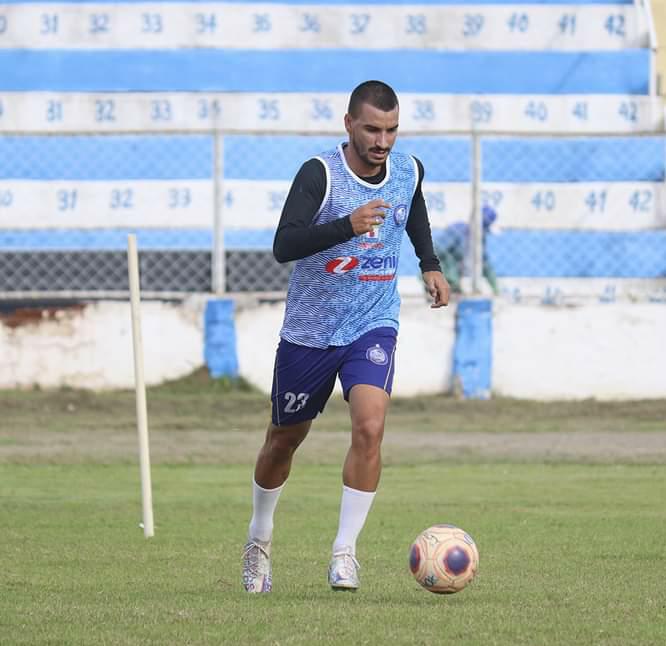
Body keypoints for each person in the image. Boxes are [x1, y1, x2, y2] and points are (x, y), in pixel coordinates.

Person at [241, 80, 450, 593]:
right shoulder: (319, 175)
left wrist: (430, 264)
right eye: (373, 129)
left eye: (392, 130)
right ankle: (259, 539)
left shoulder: (408, 168)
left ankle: (344, 553)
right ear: (349, 124)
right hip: (310, 332)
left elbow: (413, 205)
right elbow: (283, 245)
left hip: (373, 320)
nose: (383, 141)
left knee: (370, 427)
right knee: (283, 440)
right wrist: (346, 225)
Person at [435, 205, 499, 295]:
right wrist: (453, 280)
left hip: (453, 280)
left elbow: (485, 264)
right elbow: (437, 252)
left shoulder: (479, 241)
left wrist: (496, 288)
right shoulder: (457, 230)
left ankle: (452, 289)